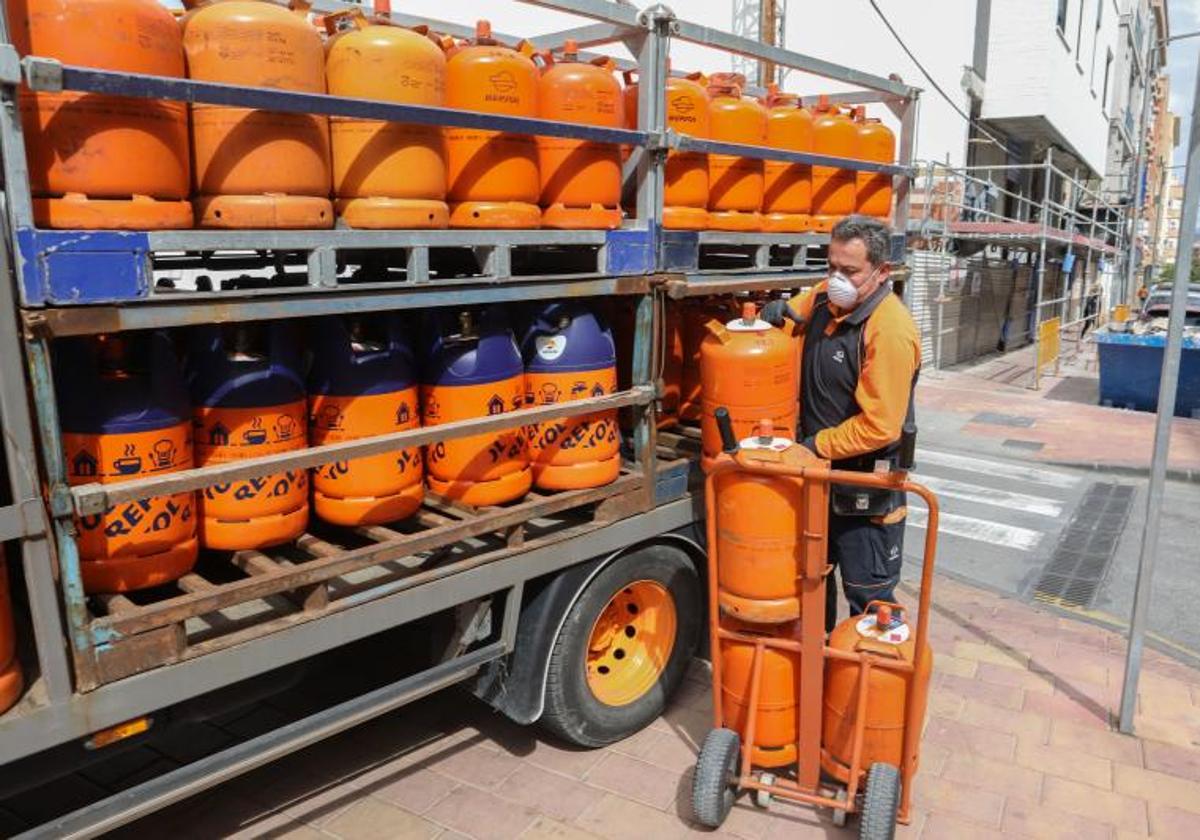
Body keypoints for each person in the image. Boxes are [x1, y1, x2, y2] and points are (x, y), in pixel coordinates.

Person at [761, 215, 921, 630]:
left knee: (870, 604)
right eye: (830, 266)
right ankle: (821, 677)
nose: (836, 278)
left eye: (849, 271)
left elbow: (880, 425)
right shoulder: (823, 299)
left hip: (865, 490)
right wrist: (778, 313)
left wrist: (814, 447)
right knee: (814, 584)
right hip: (819, 480)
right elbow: (795, 314)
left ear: (882, 271)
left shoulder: (889, 329)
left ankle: (865, 688)